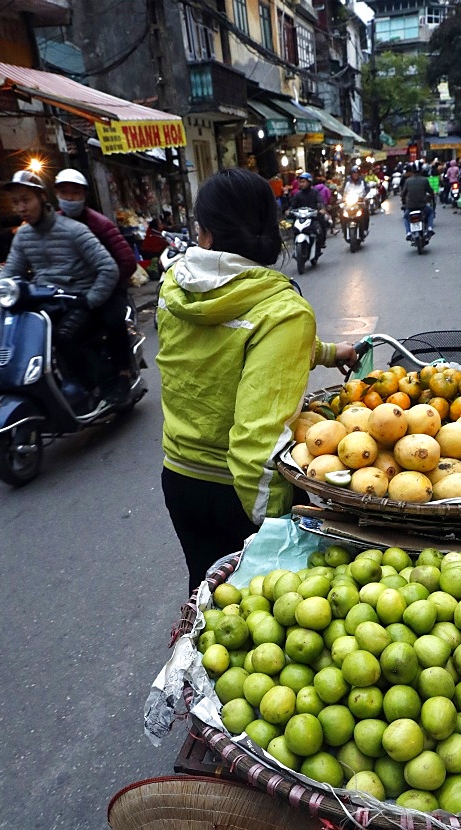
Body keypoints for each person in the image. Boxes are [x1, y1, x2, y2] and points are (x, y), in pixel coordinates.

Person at [156, 168, 357, 593]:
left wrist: (324, 351)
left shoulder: (175, 287)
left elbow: (227, 347)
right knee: (255, 614)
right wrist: (283, 523)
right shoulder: (281, 310)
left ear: (204, 232)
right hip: (237, 491)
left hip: (179, 477)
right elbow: (255, 443)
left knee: (205, 592)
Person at [0, 170, 119, 398]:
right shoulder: (23, 237)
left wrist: (91, 300)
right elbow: (12, 271)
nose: (21, 208)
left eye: (26, 200)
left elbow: (108, 268)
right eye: (15, 202)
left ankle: (103, 384)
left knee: (63, 336)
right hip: (45, 302)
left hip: (78, 300)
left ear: (42, 197)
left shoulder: (75, 230)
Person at [54, 168, 137, 399]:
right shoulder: (53, 225)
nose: (69, 198)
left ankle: (122, 373)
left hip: (108, 290)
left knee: (112, 322)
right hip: (72, 292)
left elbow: (127, 261)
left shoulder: (101, 224)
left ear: (84, 195)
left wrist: (105, 285)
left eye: (75, 193)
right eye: (64, 193)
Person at [288, 171, 327, 247]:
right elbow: (293, 205)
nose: (301, 184)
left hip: (313, 217)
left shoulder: (315, 192)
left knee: (321, 223)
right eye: (300, 182)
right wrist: (289, 211)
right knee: (293, 227)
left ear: (309, 182)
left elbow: (320, 201)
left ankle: (322, 242)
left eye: (303, 182)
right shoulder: (298, 194)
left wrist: (321, 209)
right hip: (300, 217)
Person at [401, 164, 435, 239]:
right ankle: (430, 228)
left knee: (406, 217)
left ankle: (408, 232)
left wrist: (403, 199)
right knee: (431, 212)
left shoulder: (408, 181)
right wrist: (432, 194)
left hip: (410, 207)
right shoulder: (424, 180)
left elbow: (403, 193)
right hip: (422, 206)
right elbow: (430, 191)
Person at [342, 165, 369, 236]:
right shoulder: (347, 182)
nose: (355, 174)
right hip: (349, 203)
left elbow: (367, 190)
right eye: (354, 173)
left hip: (360, 202)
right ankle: (343, 230)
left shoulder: (362, 181)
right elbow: (342, 191)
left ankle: (365, 229)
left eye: (357, 173)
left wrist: (366, 197)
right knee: (342, 212)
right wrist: (341, 198)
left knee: (365, 211)